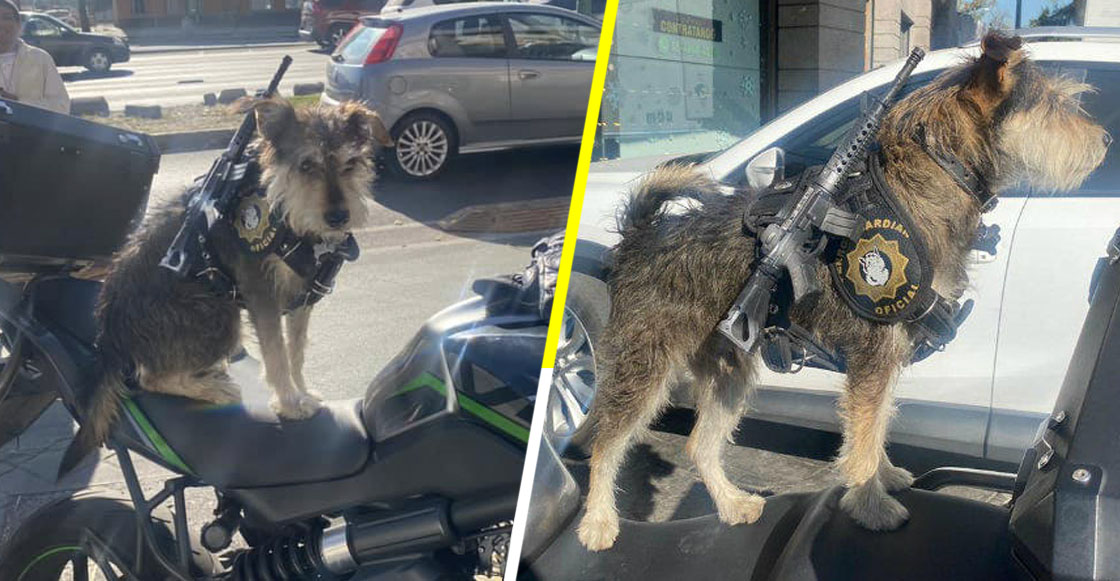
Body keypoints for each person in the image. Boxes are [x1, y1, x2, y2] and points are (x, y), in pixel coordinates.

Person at [0, 0, 69, 114]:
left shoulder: (40, 59)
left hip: (33, 131)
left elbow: (62, 106)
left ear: (19, 25)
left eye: (6, 17)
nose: (1, 23)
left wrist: (19, 103)